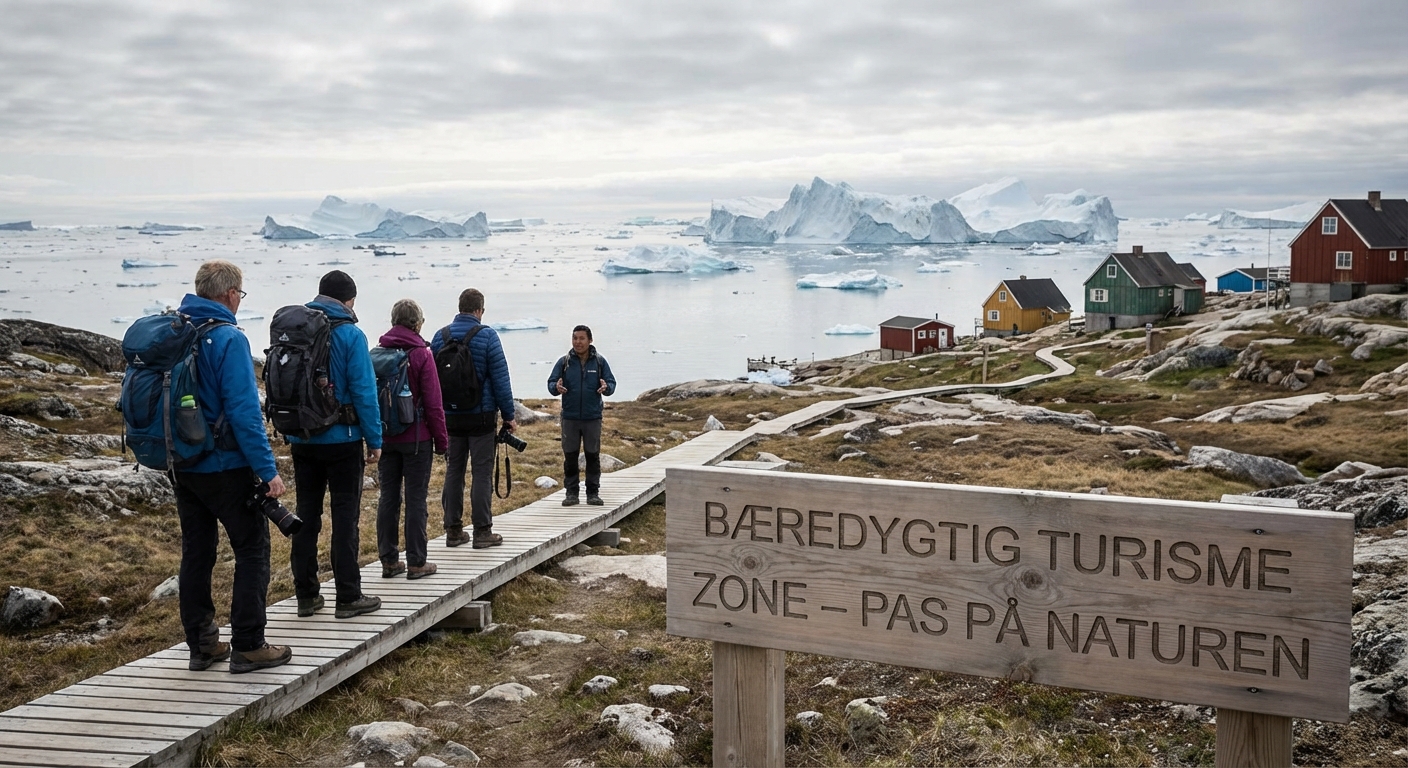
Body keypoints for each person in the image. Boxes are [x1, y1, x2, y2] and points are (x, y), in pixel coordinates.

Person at [173, 260, 292, 673]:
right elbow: (244, 412)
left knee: (197, 552)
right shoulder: (227, 338)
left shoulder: (175, 332)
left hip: (183, 464)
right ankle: (248, 644)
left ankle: (202, 645)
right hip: (225, 465)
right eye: (240, 294)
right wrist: (267, 470)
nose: (239, 301)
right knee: (253, 549)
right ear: (228, 294)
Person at [287, 270, 383, 619]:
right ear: (349, 300)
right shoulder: (350, 334)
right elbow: (364, 391)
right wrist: (375, 440)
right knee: (345, 517)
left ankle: (306, 595)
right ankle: (348, 596)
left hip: (303, 438)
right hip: (342, 440)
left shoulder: (297, 330)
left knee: (306, 515)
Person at [430, 288, 517, 549]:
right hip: (481, 417)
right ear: (480, 310)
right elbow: (501, 379)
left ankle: (453, 530)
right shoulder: (487, 336)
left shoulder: (439, 336)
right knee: (481, 472)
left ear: (460, 307)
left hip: (450, 417)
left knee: (454, 471)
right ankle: (482, 531)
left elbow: (432, 381)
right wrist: (509, 416)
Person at [375, 299, 448, 580]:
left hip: (386, 437)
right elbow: (433, 403)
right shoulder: (421, 355)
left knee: (388, 498)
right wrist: (442, 442)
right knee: (416, 499)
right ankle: (417, 562)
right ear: (417, 323)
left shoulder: (379, 351)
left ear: (394, 321)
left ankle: (389, 561)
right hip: (416, 439)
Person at [548, 325, 616, 506]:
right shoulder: (564, 362)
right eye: (575, 338)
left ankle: (593, 493)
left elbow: (611, 383)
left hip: (592, 417)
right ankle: (571, 493)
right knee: (570, 456)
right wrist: (556, 387)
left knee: (592, 455)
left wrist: (606, 388)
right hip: (570, 417)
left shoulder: (600, 362)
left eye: (581, 338)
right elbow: (551, 382)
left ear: (590, 340)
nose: (578, 342)